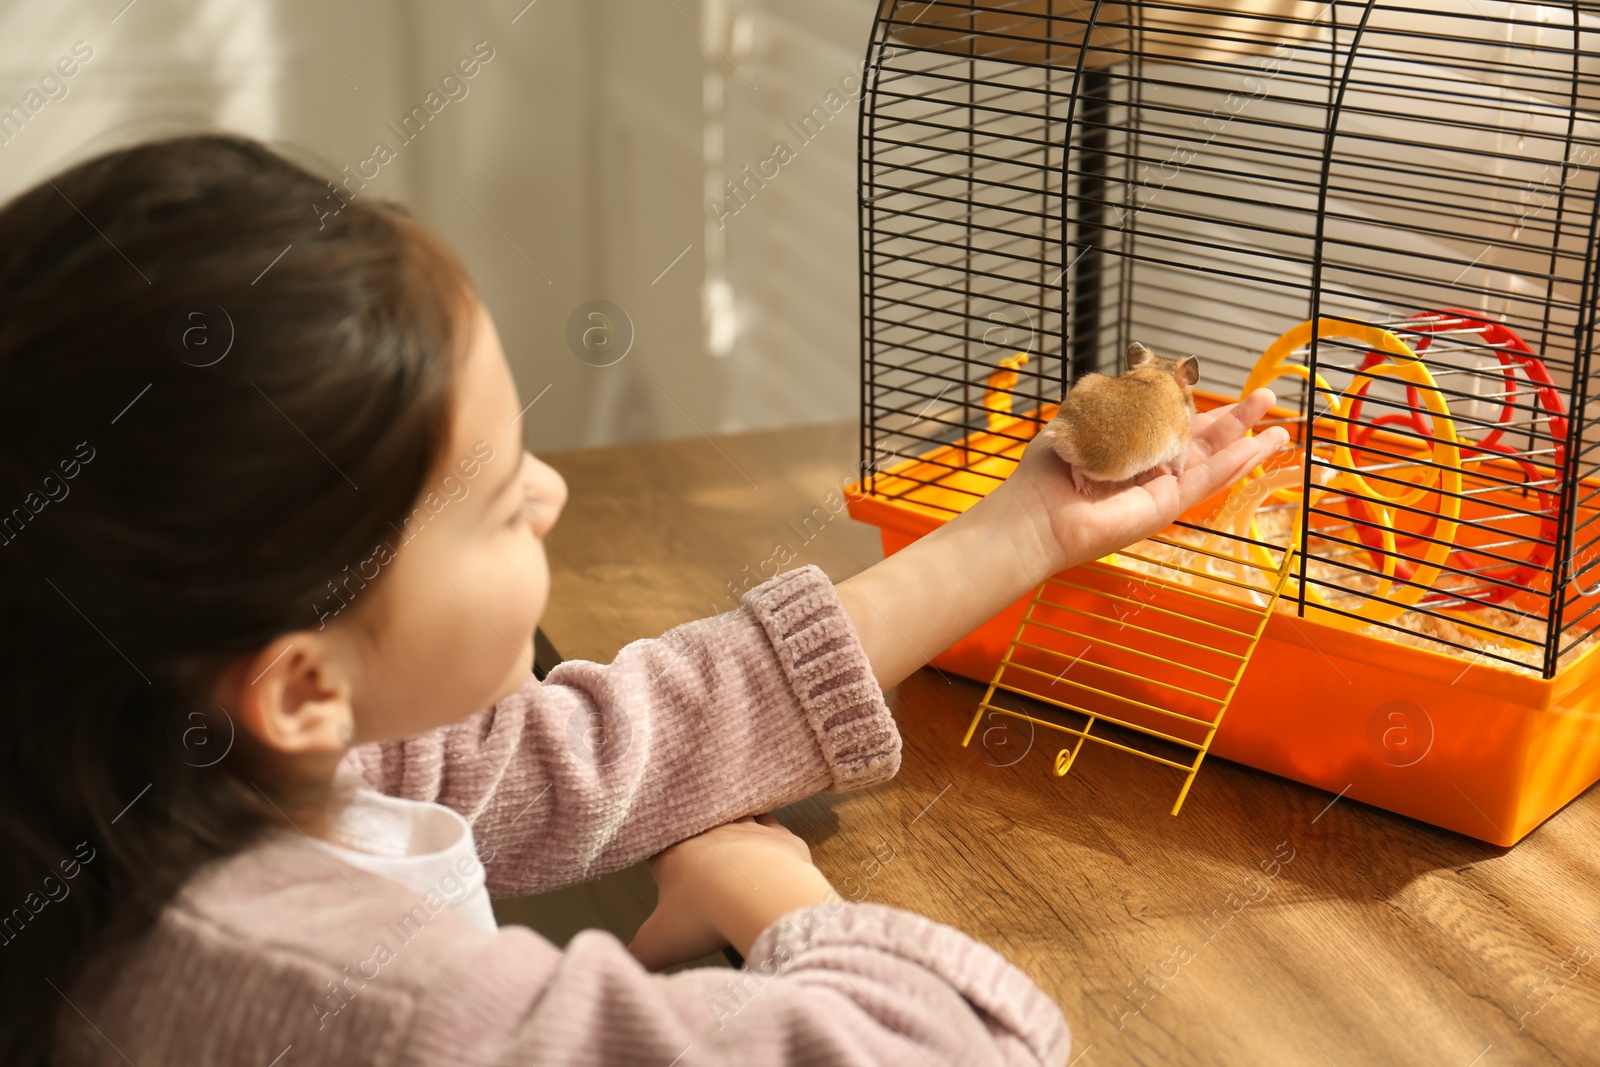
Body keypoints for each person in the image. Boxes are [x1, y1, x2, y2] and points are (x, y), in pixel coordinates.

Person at [0, 133, 1287, 1066]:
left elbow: (574, 754)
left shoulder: (149, 766)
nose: (551, 496)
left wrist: (1026, 529)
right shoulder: (314, 992)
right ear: (298, 684)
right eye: (504, 500)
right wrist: (765, 892)